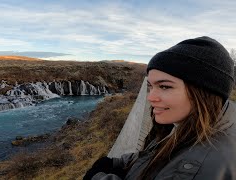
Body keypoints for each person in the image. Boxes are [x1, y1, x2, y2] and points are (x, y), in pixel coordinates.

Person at [83, 36, 236, 180]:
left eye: (164, 86)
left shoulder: (194, 170)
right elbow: (155, 155)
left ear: (204, 92)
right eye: (150, 86)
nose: (150, 98)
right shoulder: (189, 124)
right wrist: (117, 164)